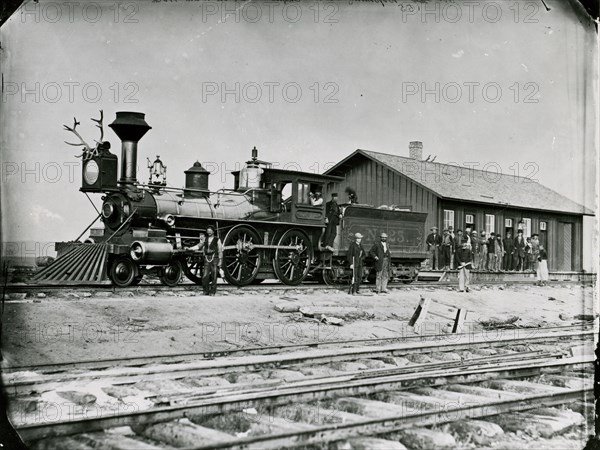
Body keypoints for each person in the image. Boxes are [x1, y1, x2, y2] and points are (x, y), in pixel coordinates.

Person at [202, 225, 223, 296]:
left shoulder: (218, 240)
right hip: (207, 258)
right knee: (205, 275)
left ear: (213, 232)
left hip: (215, 259)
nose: (209, 233)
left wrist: (220, 261)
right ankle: (206, 290)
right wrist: (191, 248)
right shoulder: (205, 239)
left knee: (214, 275)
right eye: (208, 231)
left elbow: (220, 250)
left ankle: (213, 291)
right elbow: (199, 245)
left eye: (210, 231)